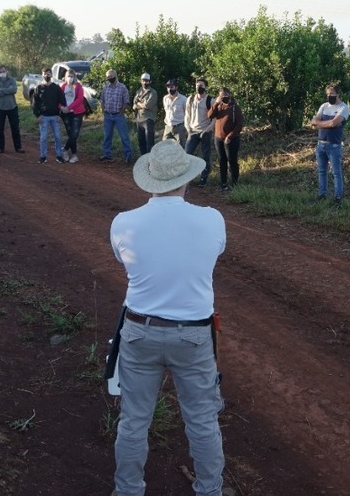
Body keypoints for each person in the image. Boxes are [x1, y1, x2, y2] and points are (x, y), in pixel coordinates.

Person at [110, 139, 229, 496]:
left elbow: (124, 262)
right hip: (193, 336)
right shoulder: (211, 219)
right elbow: (214, 254)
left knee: (133, 421)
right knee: (203, 422)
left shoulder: (123, 223)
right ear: (186, 178)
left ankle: (128, 490)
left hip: (139, 332)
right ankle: (210, 490)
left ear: (149, 180)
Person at [310, 83, 349, 207]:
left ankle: (338, 197)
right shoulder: (324, 106)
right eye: (328, 94)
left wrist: (319, 123)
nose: (329, 96)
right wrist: (321, 123)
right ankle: (322, 194)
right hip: (321, 144)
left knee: (336, 172)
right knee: (322, 171)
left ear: (338, 94)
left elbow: (334, 123)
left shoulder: (343, 108)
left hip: (334, 145)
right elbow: (313, 121)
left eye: (332, 94)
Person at [207, 87, 243, 191]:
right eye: (221, 96)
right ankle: (223, 183)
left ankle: (234, 183)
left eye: (225, 96)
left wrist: (230, 136)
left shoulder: (235, 108)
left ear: (229, 95)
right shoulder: (219, 106)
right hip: (218, 138)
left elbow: (239, 124)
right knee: (222, 160)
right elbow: (209, 115)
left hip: (231, 139)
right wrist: (216, 103)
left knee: (232, 161)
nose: (223, 98)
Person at [32, 67, 67, 164]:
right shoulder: (38, 88)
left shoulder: (56, 88)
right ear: (42, 75)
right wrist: (37, 115)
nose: (46, 75)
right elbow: (35, 103)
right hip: (43, 117)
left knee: (58, 137)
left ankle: (59, 156)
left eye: (48, 73)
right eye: (45, 74)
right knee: (43, 138)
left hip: (55, 116)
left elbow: (63, 102)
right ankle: (43, 156)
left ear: (51, 75)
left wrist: (60, 115)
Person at [184, 76, 214, 188]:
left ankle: (203, 178)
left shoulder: (210, 100)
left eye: (201, 86)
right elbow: (187, 115)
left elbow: (215, 118)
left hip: (205, 131)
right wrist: (188, 128)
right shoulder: (190, 99)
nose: (199, 87)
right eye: (197, 86)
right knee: (187, 154)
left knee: (205, 155)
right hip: (193, 130)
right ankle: (186, 177)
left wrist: (208, 129)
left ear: (205, 87)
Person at [99, 69, 134, 163]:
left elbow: (126, 102)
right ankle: (107, 154)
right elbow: (102, 100)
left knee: (124, 136)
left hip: (118, 115)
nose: (110, 78)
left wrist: (121, 111)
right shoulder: (105, 88)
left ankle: (128, 156)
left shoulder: (122, 88)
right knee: (107, 136)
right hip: (108, 115)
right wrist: (103, 110)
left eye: (111, 76)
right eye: (108, 77)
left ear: (116, 75)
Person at [0, 65, 24, 154]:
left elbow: (14, 90)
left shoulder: (12, 80)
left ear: (7, 71)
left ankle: (18, 147)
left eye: (3, 71)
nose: (2, 73)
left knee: (15, 128)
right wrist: (7, 90)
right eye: (0, 72)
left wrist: (2, 90)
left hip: (12, 106)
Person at [60, 71, 87, 163]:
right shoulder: (63, 87)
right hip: (65, 113)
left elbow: (80, 99)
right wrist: (61, 107)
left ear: (74, 77)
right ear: (65, 77)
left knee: (74, 134)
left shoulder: (78, 87)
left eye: (72, 76)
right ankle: (74, 154)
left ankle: (64, 149)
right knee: (70, 134)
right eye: (68, 76)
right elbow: (59, 99)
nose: (70, 78)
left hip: (77, 113)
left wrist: (69, 107)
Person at [133, 72, 158, 155]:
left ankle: (151, 162)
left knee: (149, 143)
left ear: (150, 81)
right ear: (141, 81)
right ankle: (143, 161)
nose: (145, 82)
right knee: (141, 142)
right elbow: (134, 105)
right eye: (143, 80)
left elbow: (148, 106)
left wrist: (138, 104)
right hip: (139, 119)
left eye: (146, 81)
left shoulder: (153, 92)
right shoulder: (138, 91)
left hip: (148, 119)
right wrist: (140, 104)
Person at [161, 78, 187, 147]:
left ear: (176, 87)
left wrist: (186, 127)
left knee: (181, 148)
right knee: (164, 146)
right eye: (168, 87)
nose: (170, 89)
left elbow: (187, 113)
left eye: (172, 87)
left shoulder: (183, 99)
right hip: (168, 126)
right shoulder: (165, 98)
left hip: (179, 126)